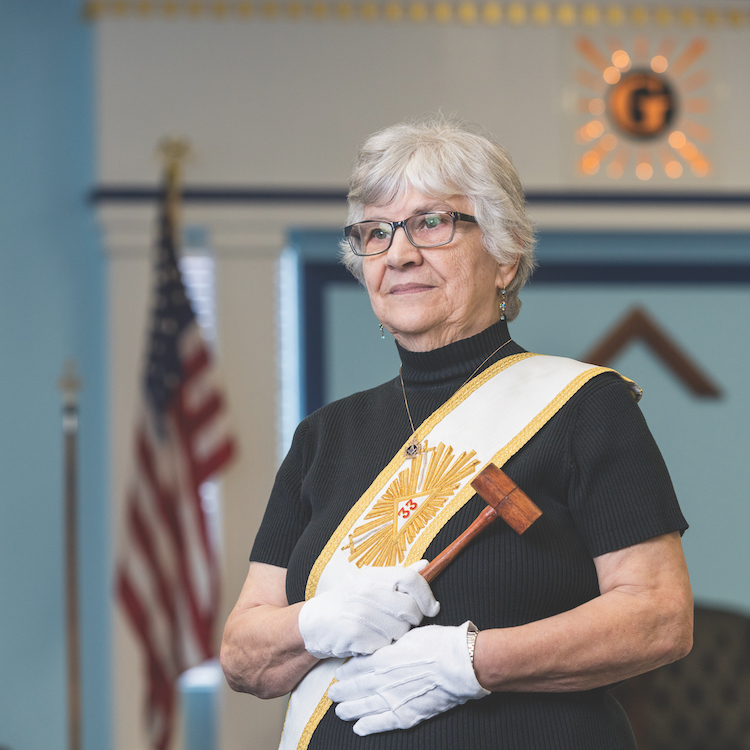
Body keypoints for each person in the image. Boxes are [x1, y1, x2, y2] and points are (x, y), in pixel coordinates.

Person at [220, 116, 693, 750]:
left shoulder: (584, 408)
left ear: (506, 255)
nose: (400, 253)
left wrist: (471, 663)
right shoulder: (323, 438)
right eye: (375, 233)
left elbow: (659, 618)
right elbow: (243, 654)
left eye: (432, 223)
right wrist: (317, 623)